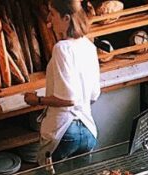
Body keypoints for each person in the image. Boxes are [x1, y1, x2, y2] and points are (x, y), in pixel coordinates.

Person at [23, 0, 100, 164]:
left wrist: (36, 100)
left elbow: (68, 100)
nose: (49, 19)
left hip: (64, 132)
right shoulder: (89, 45)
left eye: (52, 13)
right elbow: (94, 95)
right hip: (88, 131)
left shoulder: (62, 48)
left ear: (66, 18)